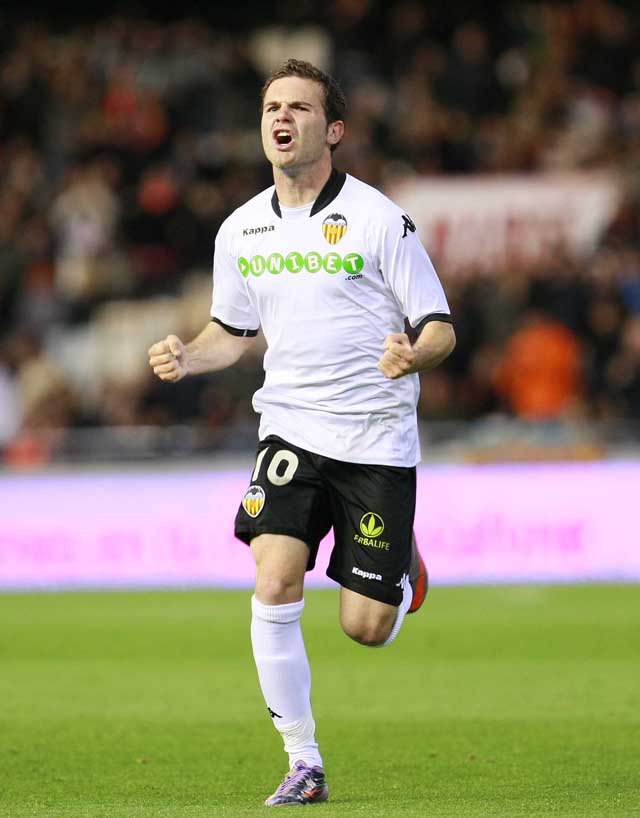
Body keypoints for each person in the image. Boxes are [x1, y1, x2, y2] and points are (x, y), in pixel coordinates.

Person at [148, 58, 455, 807]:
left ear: (334, 129)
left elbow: (441, 328)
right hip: (288, 430)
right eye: (271, 108)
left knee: (365, 627)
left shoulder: (380, 219)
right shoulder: (241, 229)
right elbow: (231, 333)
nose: (281, 118)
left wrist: (412, 354)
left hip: (375, 439)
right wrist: (190, 355)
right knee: (274, 578)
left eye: (299, 108)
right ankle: (303, 760)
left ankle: (402, 568)